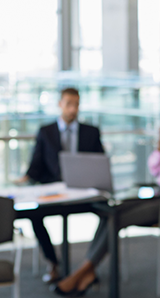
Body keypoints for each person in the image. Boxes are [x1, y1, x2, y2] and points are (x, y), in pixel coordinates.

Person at [53, 97, 160, 297]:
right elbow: (156, 170)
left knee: (118, 218)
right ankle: (88, 270)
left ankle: (83, 271)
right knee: (111, 210)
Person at [19, 88, 104, 283]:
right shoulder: (46, 132)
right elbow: (36, 165)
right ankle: (53, 262)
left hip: (83, 190)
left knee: (109, 213)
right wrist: (25, 178)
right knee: (34, 214)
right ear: (60, 104)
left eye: (76, 104)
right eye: (69, 104)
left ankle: (88, 265)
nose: (73, 109)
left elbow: (99, 163)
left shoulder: (91, 132)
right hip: (54, 190)